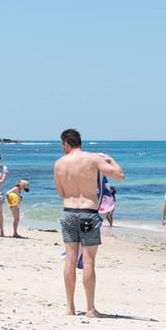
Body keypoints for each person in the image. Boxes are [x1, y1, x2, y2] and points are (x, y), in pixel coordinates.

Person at [52, 127, 124, 317]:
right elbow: (119, 175)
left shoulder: (59, 163)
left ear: (66, 143)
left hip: (68, 212)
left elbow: (61, 193)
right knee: (89, 260)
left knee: (69, 259)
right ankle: (90, 309)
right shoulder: (92, 159)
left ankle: (70, 307)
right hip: (88, 213)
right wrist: (108, 159)